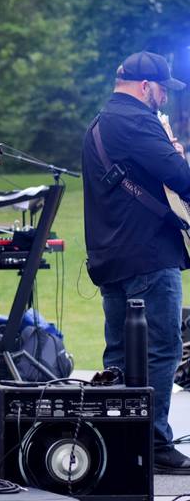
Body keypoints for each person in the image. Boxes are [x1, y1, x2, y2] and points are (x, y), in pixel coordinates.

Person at [82, 51, 190, 474]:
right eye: (163, 89)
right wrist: (177, 156)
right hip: (148, 254)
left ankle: (120, 442)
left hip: (110, 257)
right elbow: (181, 179)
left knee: (120, 353)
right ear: (147, 86)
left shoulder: (98, 124)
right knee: (161, 348)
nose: (165, 97)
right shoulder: (139, 119)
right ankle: (155, 442)